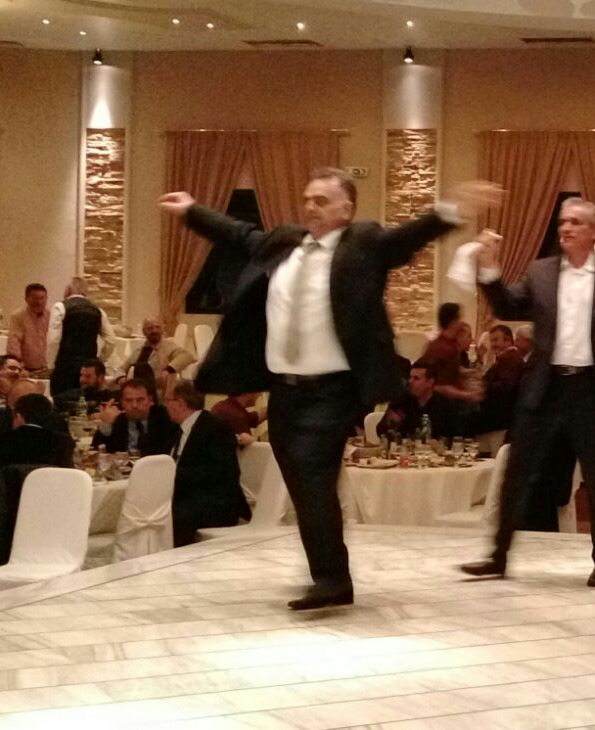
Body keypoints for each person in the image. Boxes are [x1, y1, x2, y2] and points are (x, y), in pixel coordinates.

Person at [160, 168, 502, 610]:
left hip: (333, 390)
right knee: (302, 480)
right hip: (284, 389)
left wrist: (451, 210)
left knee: (312, 473)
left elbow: (406, 238)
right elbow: (237, 234)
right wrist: (192, 211)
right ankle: (330, 573)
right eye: (308, 199)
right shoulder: (284, 243)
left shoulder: (363, 243)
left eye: (322, 200)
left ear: (347, 208)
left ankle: (332, 579)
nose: (310, 207)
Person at [460, 197, 595, 587]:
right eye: (562, 223)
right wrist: (488, 268)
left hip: (591, 389)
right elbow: (508, 305)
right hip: (545, 386)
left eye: (575, 222)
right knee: (516, 472)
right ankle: (497, 557)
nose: (565, 228)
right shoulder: (540, 272)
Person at [166, 380, 251, 547]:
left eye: (168, 400)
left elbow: (224, 473)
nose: (166, 406)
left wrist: (175, 475)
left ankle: (173, 558)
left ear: (180, 403)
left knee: (169, 516)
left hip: (215, 503)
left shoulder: (215, 427)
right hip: (190, 498)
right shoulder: (179, 429)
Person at [47, 277, 117, 395]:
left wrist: (51, 365)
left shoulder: (60, 307)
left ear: (68, 290)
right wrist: (100, 359)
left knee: (62, 400)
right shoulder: (98, 311)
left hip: (65, 366)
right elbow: (111, 340)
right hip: (89, 368)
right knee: (87, 400)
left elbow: (54, 340)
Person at [0, 393, 74, 484]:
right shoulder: (63, 443)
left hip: (11, 492)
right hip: (51, 491)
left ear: (19, 416)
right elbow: (68, 478)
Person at [92, 377, 178, 456]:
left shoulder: (165, 417)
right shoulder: (117, 420)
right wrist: (106, 424)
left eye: (140, 400)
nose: (134, 405)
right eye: (129, 400)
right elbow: (96, 452)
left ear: (150, 400)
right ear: (122, 402)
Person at [378, 361, 460, 440]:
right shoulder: (401, 402)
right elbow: (380, 431)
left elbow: (454, 438)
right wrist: (388, 423)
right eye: (410, 377)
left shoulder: (445, 407)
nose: (410, 381)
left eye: (416, 378)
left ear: (430, 382)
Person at [471, 324, 524, 437]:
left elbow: (506, 386)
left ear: (508, 340)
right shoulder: (506, 358)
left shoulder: (510, 359)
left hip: (500, 419)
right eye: (491, 341)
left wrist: (482, 388)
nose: (493, 344)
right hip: (500, 419)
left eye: (495, 340)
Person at [128, 316, 197, 380]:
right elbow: (124, 367)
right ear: (144, 331)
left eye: (158, 327)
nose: (154, 331)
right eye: (150, 328)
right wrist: (122, 377)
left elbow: (187, 356)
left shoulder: (168, 347)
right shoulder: (139, 350)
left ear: (162, 329)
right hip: (136, 386)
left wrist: (168, 370)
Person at [6, 283, 51, 375]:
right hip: (26, 370)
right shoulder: (18, 317)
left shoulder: (50, 316)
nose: (39, 302)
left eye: (42, 298)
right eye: (35, 298)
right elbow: (13, 345)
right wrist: (19, 368)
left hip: (47, 369)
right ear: (26, 299)